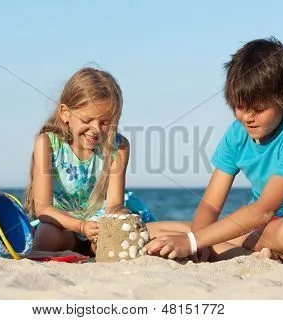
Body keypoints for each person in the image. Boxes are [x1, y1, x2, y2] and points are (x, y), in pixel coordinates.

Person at [144, 37, 283, 264]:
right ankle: (242, 249)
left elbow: (264, 210)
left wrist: (192, 240)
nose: (247, 118)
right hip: (260, 228)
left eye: (258, 109)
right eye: (239, 107)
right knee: (152, 229)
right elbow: (210, 204)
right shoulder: (237, 133)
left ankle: (231, 246)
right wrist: (197, 243)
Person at [24, 67, 189, 255]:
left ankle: (203, 238)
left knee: (179, 230)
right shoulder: (47, 143)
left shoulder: (118, 146)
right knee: (46, 236)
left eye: (105, 122)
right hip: (63, 224)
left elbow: (113, 205)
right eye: (87, 119)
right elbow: (44, 208)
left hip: (102, 225)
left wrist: (120, 218)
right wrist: (81, 226)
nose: (95, 129)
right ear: (65, 113)